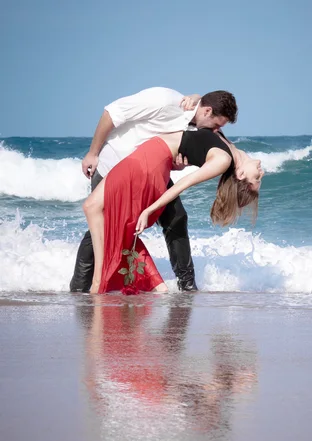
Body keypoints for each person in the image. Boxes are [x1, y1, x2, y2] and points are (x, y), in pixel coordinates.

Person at [70, 87, 238, 293]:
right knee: (104, 229)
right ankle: (79, 290)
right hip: (113, 167)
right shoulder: (164, 100)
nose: (215, 131)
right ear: (207, 111)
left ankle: (187, 286)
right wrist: (93, 152)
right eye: (215, 125)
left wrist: (178, 163)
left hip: (150, 173)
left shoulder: (194, 123)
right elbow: (111, 113)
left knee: (176, 218)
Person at [83, 128, 264, 294]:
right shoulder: (230, 149)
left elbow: (182, 184)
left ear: (241, 175)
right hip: (153, 155)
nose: (261, 172)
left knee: (95, 210)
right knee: (114, 222)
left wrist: (149, 209)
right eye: (259, 177)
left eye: (257, 177)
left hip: (150, 160)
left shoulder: (223, 160)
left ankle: (100, 281)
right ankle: (154, 285)